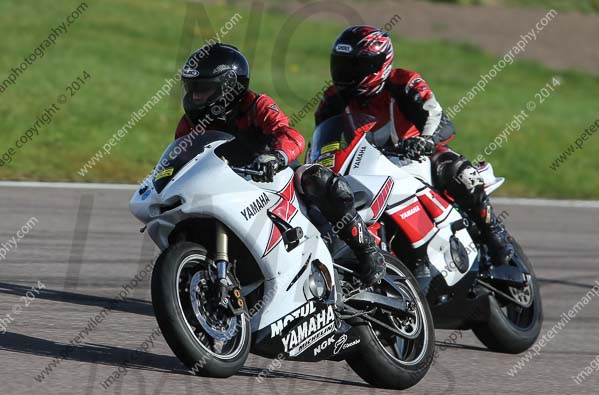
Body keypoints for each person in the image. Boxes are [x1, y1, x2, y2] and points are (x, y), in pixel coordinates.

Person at [175, 43, 386, 284]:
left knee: (313, 176)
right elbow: (183, 158)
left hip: (275, 178)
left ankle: (367, 251)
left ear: (229, 86)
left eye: (203, 89)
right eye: (192, 89)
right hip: (230, 186)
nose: (195, 96)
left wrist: (275, 157)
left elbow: (290, 135)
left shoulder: (257, 105)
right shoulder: (189, 124)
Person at [315, 26, 514, 265]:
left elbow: (437, 117)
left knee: (458, 172)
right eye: (342, 64)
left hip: (415, 158)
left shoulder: (404, 82)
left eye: (356, 67)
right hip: (367, 167)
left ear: (380, 65)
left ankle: (493, 234)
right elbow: (326, 139)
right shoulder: (332, 99)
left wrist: (424, 141)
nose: (346, 73)